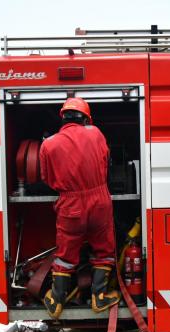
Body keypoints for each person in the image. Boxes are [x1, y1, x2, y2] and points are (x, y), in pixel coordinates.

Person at [40, 97, 120, 318]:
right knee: (103, 249)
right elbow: (106, 162)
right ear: (86, 118)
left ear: (63, 118)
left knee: (65, 252)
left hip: (70, 203)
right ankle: (100, 297)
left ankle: (56, 301)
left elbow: (46, 178)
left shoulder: (49, 144)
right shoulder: (96, 133)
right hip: (100, 200)